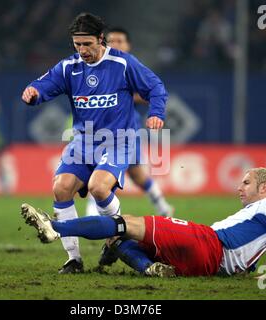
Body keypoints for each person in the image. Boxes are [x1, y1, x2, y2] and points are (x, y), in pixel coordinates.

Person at [21, 13, 167, 274]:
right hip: (83, 142)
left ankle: (116, 236)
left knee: (99, 188)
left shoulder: (122, 63)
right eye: (77, 44)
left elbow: (155, 87)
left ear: (101, 39)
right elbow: (44, 85)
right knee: (61, 188)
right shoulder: (69, 67)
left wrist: (156, 113)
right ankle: (74, 260)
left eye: (87, 44)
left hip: (117, 141)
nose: (82, 50)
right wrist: (33, 93)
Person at [20, 168, 266, 279]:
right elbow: (247, 256)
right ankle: (152, 268)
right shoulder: (256, 220)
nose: (240, 187)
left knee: (124, 223)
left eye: (247, 182)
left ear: (264, 187)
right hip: (207, 265)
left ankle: (55, 228)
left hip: (208, 243)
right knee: (121, 239)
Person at [85, 27, 174, 218]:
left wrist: (124, 96)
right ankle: (161, 205)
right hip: (99, 126)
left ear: (128, 45)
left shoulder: (131, 66)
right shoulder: (96, 65)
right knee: (129, 171)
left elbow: (150, 91)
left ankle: (160, 204)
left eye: (120, 41)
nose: (115, 45)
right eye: (112, 41)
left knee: (133, 173)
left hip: (126, 128)